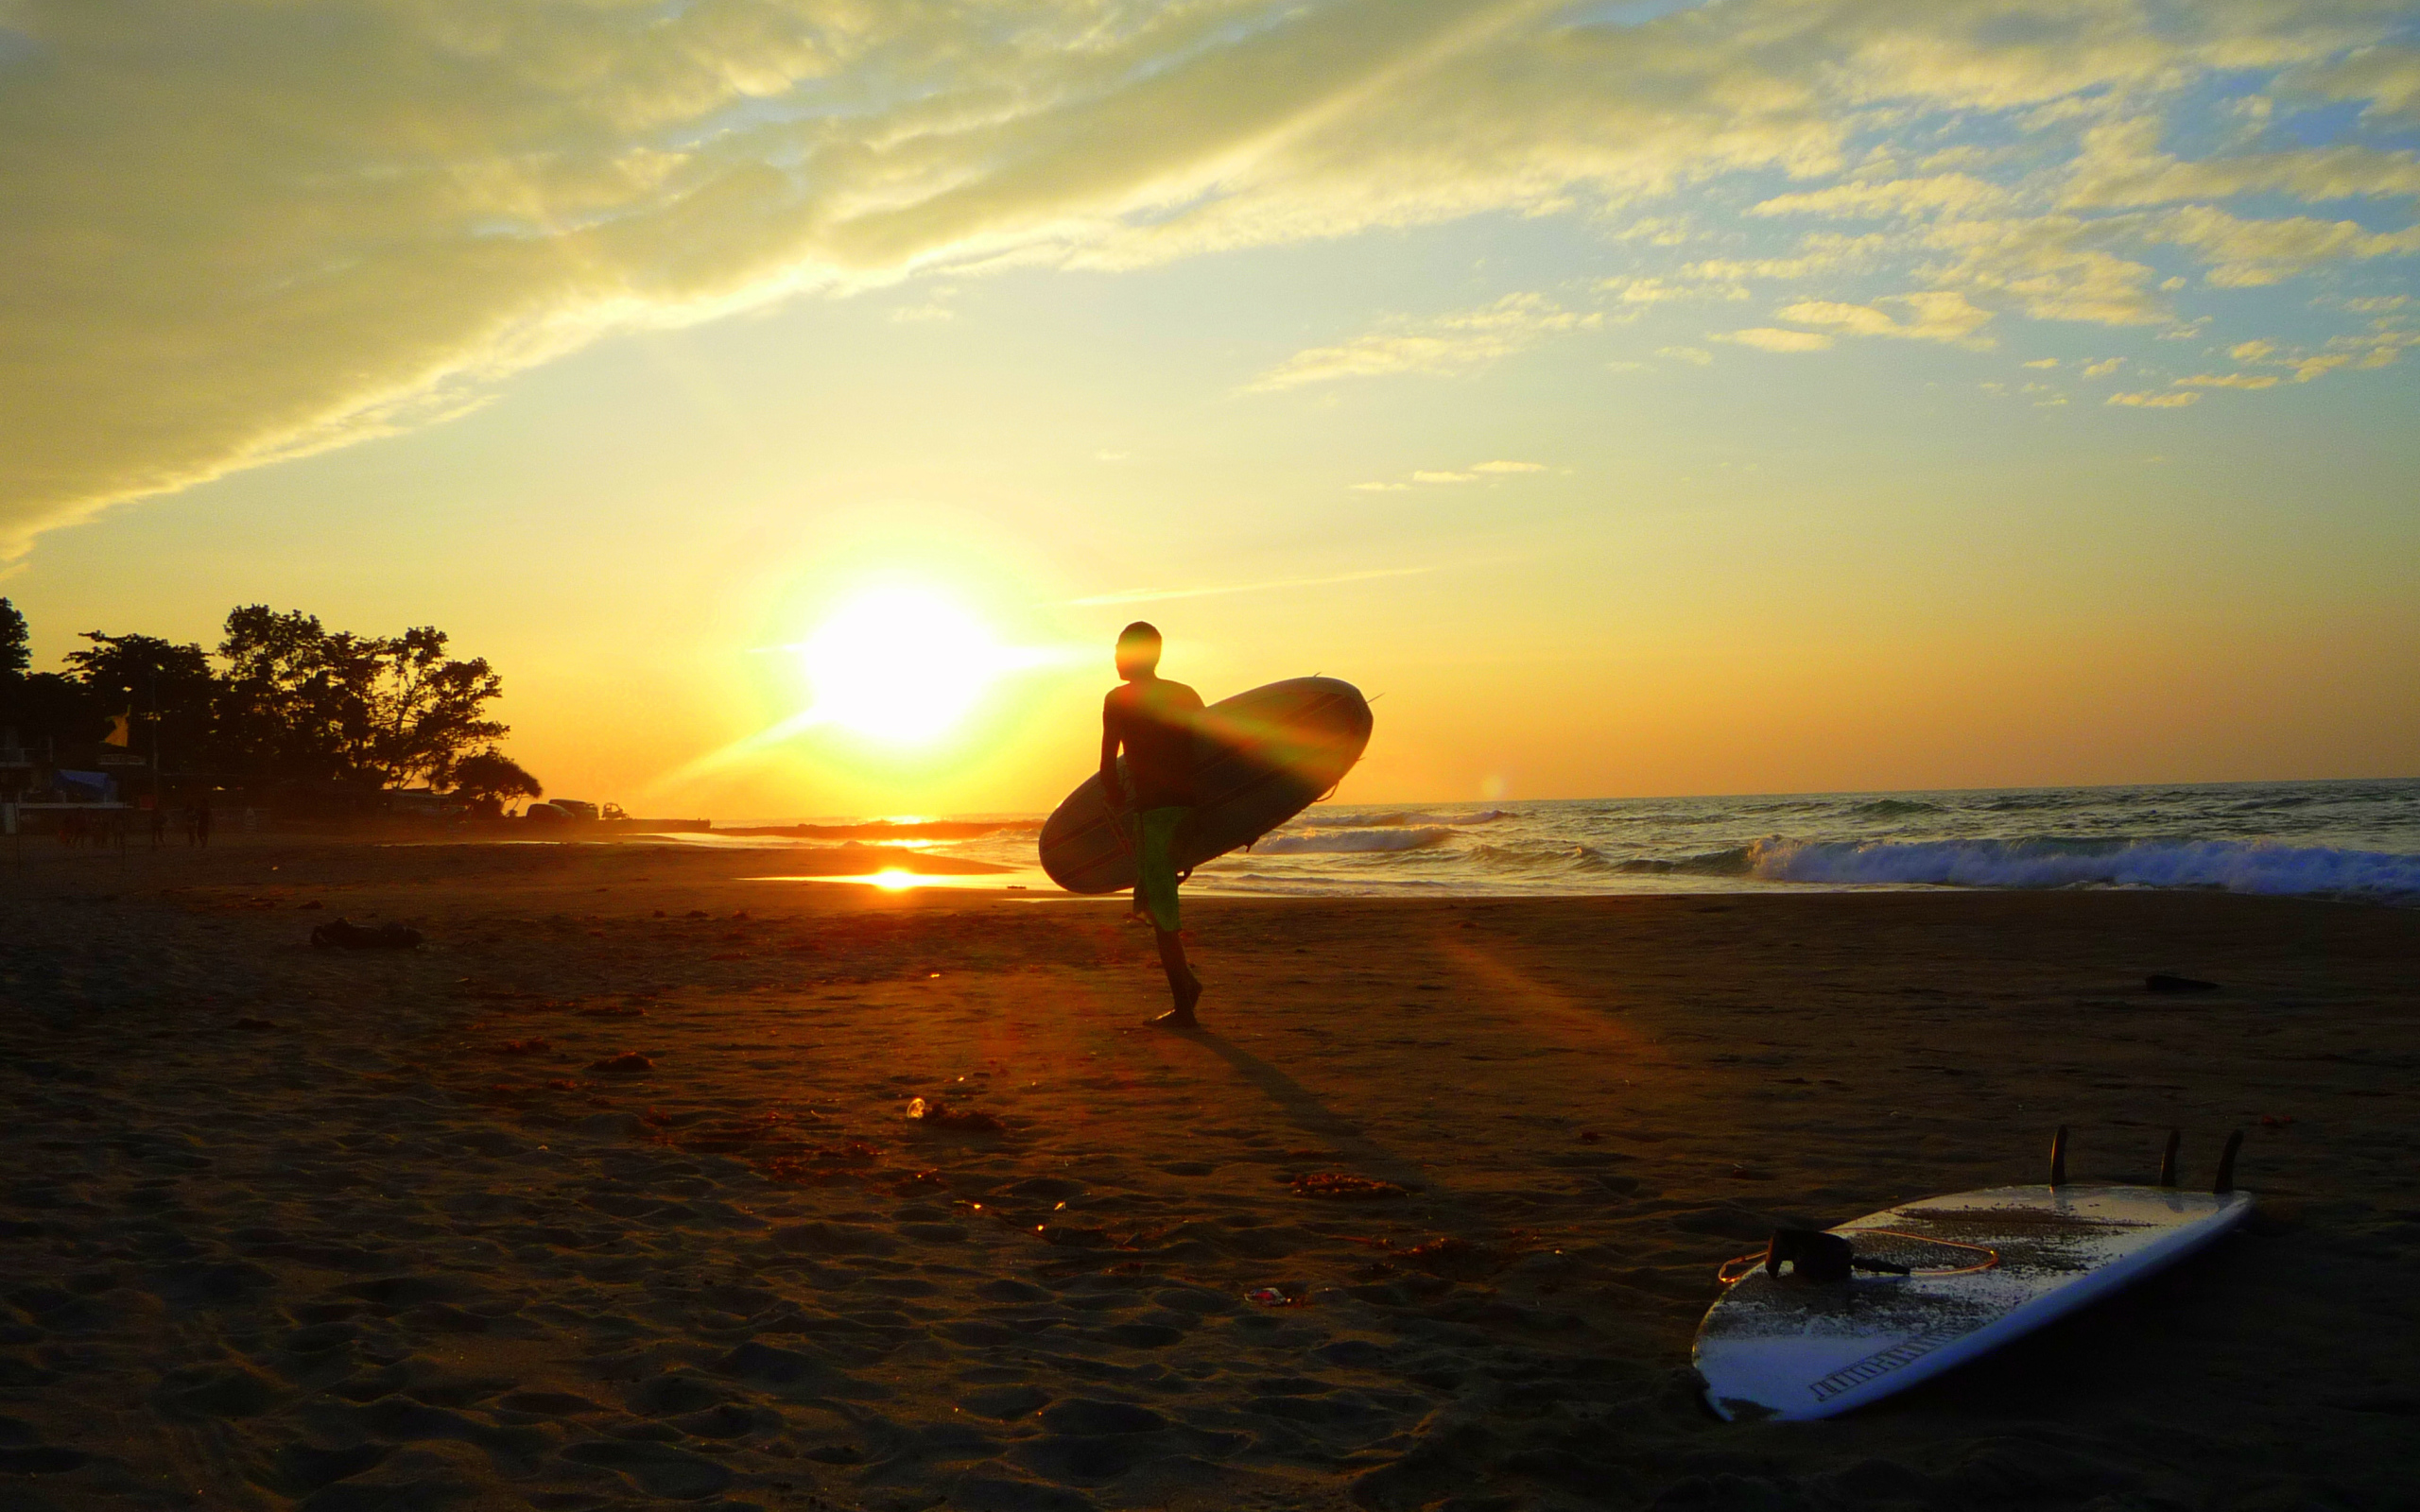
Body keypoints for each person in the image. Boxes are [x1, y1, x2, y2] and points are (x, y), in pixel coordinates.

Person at [1099, 622, 1205, 1026]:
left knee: (1160, 912)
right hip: (1189, 811)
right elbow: (1209, 754)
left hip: (1154, 815)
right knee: (1160, 901)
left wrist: (1114, 800)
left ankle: (1184, 1006)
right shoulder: (1185, 695)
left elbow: (1108, 770)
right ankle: (1187, 985)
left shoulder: (1118, 700)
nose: (1115, 657)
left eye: (1120, 649)